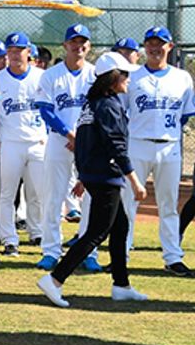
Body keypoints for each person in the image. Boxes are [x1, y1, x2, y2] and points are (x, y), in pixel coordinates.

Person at [37, 51, 149, 307]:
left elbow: (86, 143)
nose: (130, 80)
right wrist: (135, 181)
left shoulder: (92, 104)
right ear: (114, 79)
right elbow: (115, 146)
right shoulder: (108, 106)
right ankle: (54, 279)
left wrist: (84, 176)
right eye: (126, 75)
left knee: (120, 227)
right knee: (97, 231)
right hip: (106, 176)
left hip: (96, 174)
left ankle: (121, 285)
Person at [121, 26, 194, 276]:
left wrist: (169, 134)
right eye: (150, 43)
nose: (154, 47)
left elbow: (184, 115)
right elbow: (121, 113)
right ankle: (122, 254)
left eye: (160, 43)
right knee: (128, 202)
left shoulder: (182, 77)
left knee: (169, 204)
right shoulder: (132, 76)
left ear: (170, 47)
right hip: (137, 143)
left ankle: (173, 257)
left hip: (169, 146)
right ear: (144, 46)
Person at [34, 24, 98, 271]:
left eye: (83, 42)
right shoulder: (50, 75)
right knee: (53, 197)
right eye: (74, 41)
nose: (78, 46)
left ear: (89, 46)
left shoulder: (95, 75)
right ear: (65, 45)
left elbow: (101, 111)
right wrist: (69, 134)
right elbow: (45, 110)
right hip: (60, 142)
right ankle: (51, 251)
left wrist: (84, 137)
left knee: (91, 200)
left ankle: (88, 252)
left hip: (89, 144)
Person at [0, 32, 47, 256]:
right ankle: (9, 239)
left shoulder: (42, 77)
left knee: (40, 192)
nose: (15, 54)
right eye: (11, 50)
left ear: (28, 52)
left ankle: (38, 232)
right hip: (10, 142)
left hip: (38, 141)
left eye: (19, 50)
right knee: (7, 193)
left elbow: (50, 110)